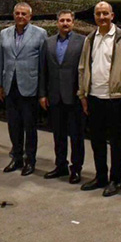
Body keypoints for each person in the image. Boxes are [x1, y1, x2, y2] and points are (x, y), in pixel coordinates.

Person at [77, 2, 121, 196]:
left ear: (112, 15)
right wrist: (83, 94)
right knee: (97, 141)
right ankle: (100, 176)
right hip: (94, 96)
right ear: (94, 16)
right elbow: (83, 67)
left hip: (115, 98)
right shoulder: (90, 39)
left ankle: (115, 180)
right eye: (98, 14)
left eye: (105, 13)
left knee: (116, 142)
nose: (102, 17)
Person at [0, 2, 48, 176]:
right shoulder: (4, 33)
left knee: (29, 127)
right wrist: (0, 84)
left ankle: (30, 160)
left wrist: (42, 91)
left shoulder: (40, 34)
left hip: (30, 87)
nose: (20, 16)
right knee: (13, 126)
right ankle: (17, 157)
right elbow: (1, 60)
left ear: (30, 16)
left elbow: (43, 65)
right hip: (10, 87)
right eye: (17, 13)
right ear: (13, 14)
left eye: (24, 14)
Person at [39, 10, 86, 184]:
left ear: (73, 22)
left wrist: (84, 94)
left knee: (76, 136)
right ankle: (60, 166)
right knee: (58, 135)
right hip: (55, 96)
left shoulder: (82, 42)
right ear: (57, 22)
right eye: (62, 20)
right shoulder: (48, 42)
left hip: (74, 96)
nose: (65, 23)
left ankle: (76, 169)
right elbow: (43, 70)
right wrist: (42, 94)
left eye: (68, 20)